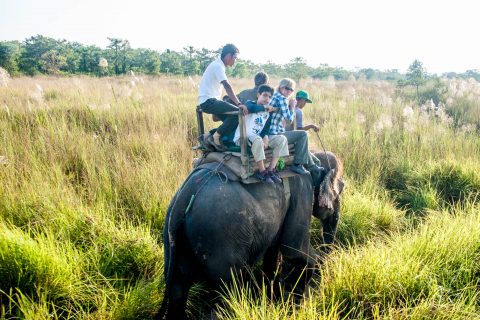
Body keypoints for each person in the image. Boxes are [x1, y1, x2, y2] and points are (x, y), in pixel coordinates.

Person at [268, 78, 324, 177]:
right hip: (275, 133)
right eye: (287, 89)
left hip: (270, 132)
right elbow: (289, 120)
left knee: (300, 136)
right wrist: (292, 106)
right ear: (281, 87)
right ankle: (297, 164)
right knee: (303, 134)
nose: (289, 92)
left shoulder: (274, 96)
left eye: (291, 90)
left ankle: (310, 165)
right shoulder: (282, 99)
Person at [233, 85, 287, 184]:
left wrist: (265, 137)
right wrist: (264, 107)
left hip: (257, 137)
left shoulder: (268, 112)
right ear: (258, 95)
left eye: (270, 97)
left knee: (282, 139)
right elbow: (252, 108)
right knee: (257, 139)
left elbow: (266, 128)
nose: (267, 99)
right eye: (265, 95)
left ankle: (270, 170)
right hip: (244, 138)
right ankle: (262, 172)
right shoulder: (250, 104)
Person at [198, 44, 248, 149]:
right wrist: (239, 104)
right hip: (209, 101)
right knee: (237, 114)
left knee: (231, 121)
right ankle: (214, 137)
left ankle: (210, 136)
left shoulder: (218, 65)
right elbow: (226, 85)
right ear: (228, 55)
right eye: (235, 57)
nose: (235, 61)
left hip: (209, 101)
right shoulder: (218, 66)